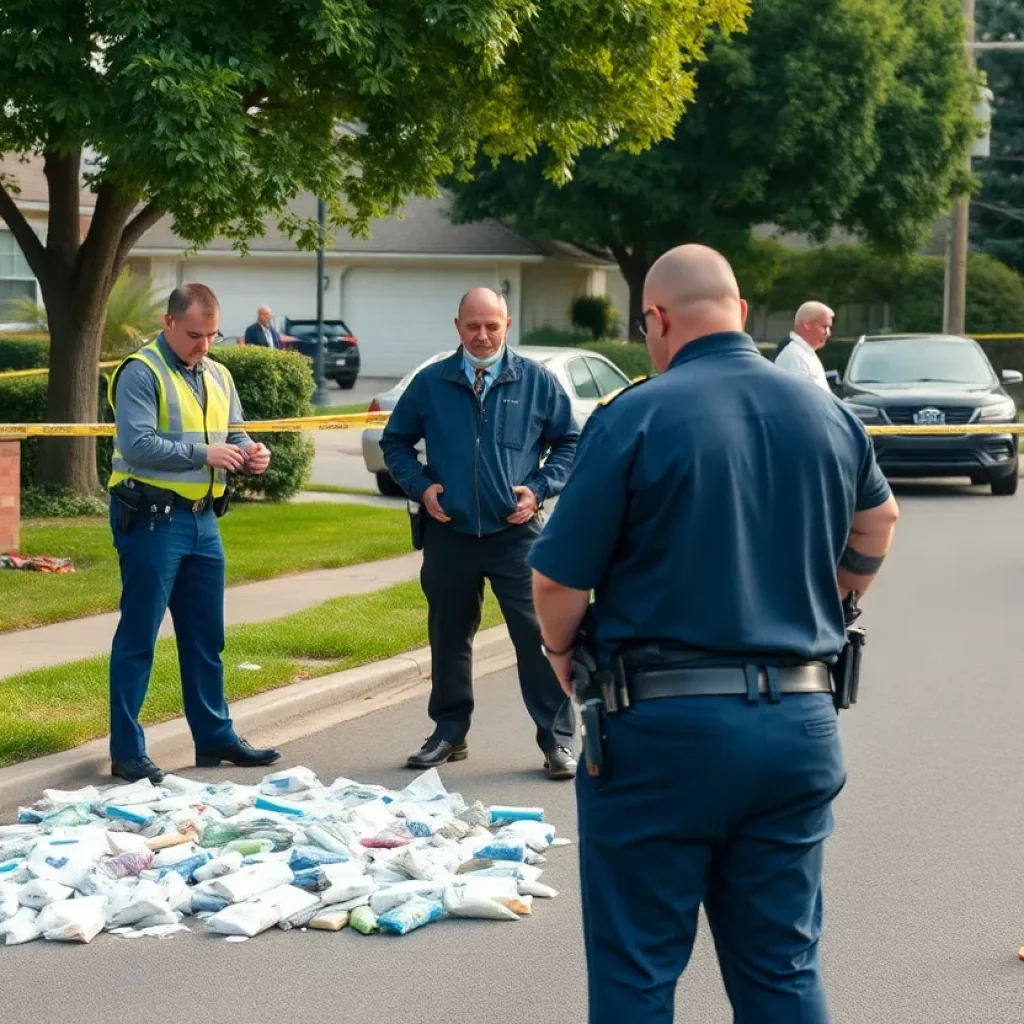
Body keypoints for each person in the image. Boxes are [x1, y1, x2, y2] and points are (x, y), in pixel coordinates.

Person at [529, 245, 899, 1023]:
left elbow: (558, 581)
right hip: (799, 723)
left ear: (657, 320)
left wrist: (562, 655)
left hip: (661, 730)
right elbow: (879, 517)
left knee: (637, 970)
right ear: (738, 307)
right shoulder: (825, 412)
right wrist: (840, 591)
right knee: (781, 969)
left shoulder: (636, 413)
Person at [380, 287, 580, 780]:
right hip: (448, 533)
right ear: (458, 327)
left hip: (517, 537)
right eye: (473, 326)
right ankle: (449, 732)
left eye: (492, 325)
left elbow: (571, 443)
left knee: (538, 636)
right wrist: (422, 487)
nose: (483, 335)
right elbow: (396, 441)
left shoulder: (537, 382)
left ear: (507, 326)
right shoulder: (431, 382)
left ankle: (556, 740)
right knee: (448, 636)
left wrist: (539, 489)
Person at [106, 284, 281, 784]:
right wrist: (203, 455)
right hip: (152, 522)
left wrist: (252, 453)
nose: (203, 345)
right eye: (193, 335)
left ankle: (215, 737)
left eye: (211, 335)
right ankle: (127, 752)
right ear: (168, 323)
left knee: (207, 638)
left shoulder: (220, 374)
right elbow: (136, 443)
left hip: (204, 523)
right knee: (139, 636)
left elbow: (235, 431)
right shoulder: (141, 372)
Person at [773, 300, 835, 390]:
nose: (828, 333)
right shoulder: (794, 356)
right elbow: (800, 400)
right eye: (824, 326)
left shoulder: (803, 352)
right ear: (807, 324)